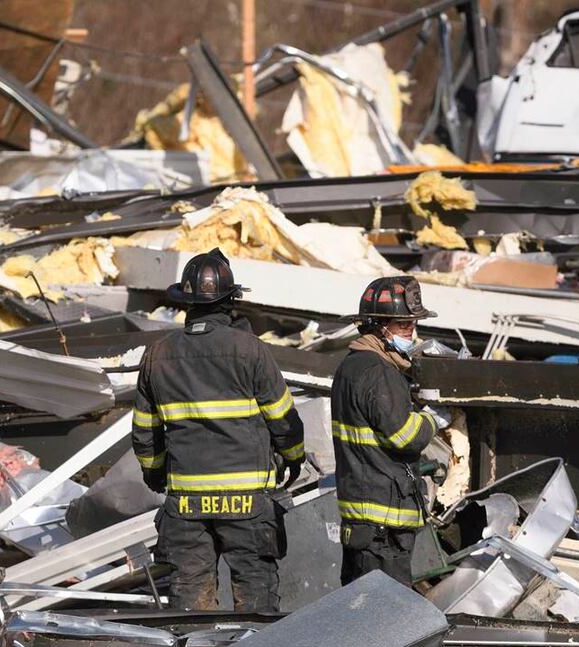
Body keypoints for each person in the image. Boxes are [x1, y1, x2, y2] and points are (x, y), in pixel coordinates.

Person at [132, 248, 305, 611]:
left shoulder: (157, 355)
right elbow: (283, 419)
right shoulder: (250, 351)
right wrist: (293, 458)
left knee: (190, 604)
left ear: (185, 304)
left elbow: (145, 431)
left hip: (185, 506)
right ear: (230, 302)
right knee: (255, 602)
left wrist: (154, 473)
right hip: (246, 503)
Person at [331, 275, 445, 586]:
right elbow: (405, 437)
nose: (412, 333)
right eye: (403, 325)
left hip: (365, 519)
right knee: (386, 624)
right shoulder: (379, 372)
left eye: (413, 324)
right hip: (383, 525)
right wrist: (435, 418)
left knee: (359, 614)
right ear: (380, 326)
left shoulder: (352, 366)